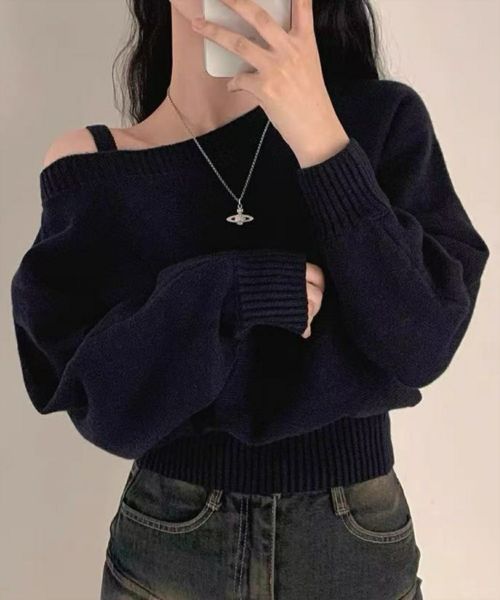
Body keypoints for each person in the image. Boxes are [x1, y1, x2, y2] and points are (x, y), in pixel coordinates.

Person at [10, 1, 490, 598]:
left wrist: (320, 138)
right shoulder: (97, 164)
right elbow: (96, 396)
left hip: (351, 539)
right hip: (172, 536)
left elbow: (422, 341)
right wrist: (233, 292)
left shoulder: (378, 123)